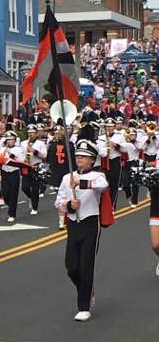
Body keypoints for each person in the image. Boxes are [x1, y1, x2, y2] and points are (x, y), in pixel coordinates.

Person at [55, 138, 108, 322]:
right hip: (73, 224)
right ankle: (86, 289)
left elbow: (103, 186)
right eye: (77, 156)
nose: (79, 159)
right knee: (72, 268)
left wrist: (81, 184)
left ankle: (84, 306)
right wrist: (69, 205)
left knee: (86, 265)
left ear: (92, 160)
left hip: (91, 224)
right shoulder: (65, 178)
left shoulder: (97, 176)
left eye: (84, 157)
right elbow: (58, 201)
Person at [0, 131, 22, 223]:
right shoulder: (2, 149)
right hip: (5, 171)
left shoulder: (18, 149)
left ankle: (12, 213)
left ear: (15, 140)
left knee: (13, 193)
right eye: (8, 140)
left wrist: (11, 154)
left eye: (11, 140)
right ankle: (10, 205)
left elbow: (20, 161)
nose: (9, 142)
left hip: (14, 171)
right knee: (4, 194)